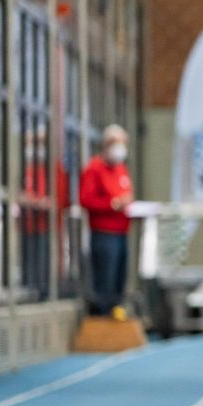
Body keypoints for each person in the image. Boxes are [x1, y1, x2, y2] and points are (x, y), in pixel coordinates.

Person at [78, 125, 136, 318]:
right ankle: (100, 317)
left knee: (119, 278)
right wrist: (112, 204)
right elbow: (85, 199)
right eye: (117, 144)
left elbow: (128, 194)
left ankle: (116, 312)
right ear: (107, 145)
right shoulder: (94, 168)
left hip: (121, 232)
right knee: (105, 279)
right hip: (103, 234)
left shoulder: (121, 169)